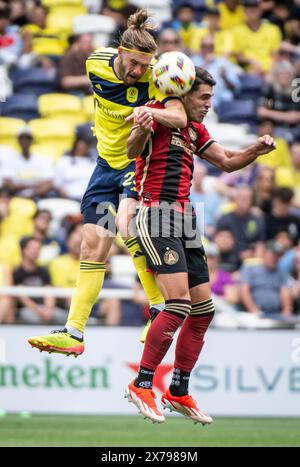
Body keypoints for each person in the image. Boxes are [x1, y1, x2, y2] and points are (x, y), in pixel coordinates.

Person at [28, 9, 187, 356]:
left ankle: (159, 308)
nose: (137, 72)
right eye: (132, 63)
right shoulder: (94, 64)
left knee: (127, 228)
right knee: (93, 246)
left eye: (144, 66)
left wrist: (151, 113)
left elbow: (179, 116)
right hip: (105, 167)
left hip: (137, 162)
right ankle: (74, 332)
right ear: (119, 54)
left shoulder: (156, 77)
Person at [124, 66, 276, 423]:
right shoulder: (156, 114)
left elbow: (226, 162)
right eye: (204, 97)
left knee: (203, 310)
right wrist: (141, 124)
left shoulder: (194, 130)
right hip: (156, 212)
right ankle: (142, 383)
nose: (209, 104)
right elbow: (131, 149)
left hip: (185, 219)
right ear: (182, 92)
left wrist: (255, 148)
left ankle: (177, 390)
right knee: (177, 305)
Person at [239, 240, 293, 316]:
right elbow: (244, 290)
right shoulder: (250, 267)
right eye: (273, 254)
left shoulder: (281, 272)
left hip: (276, 314)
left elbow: (285, 292)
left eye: (278, 255)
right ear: (264, 253)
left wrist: (287, 310)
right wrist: (253, 310)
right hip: (254, 314)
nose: (276, 258)